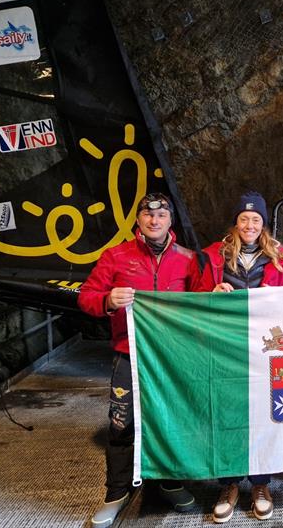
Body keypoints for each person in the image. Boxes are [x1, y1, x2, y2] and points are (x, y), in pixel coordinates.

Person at [78, 193, 200, 527]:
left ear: (170, 220)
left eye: (161, 215)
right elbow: (86, 298)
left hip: (171, 356)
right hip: (128, 354)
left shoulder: (188, 259)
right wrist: (107, 300)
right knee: (121, 423)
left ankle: (170, 481)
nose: (154, 220)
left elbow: (202, 303)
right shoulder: (116, 256)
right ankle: (117, 493)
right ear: (139, 220)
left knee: (170, 419)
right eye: (148, 215)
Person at [194, 192, 283, 523]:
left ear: (263, 224)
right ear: (235, 223)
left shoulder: (280, 258)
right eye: (244, 219)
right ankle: (229, 483)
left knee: (265, 415)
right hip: (225, 349)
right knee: (228, 414)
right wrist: (210, 293)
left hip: (264, 352)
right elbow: (190, 296)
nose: (250, 225)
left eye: (256, 220)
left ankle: (262, 485)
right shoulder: (213, 256)